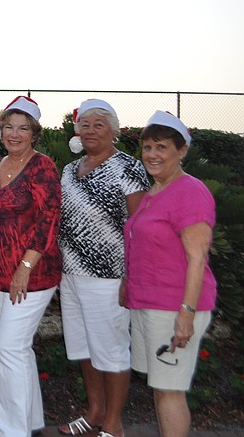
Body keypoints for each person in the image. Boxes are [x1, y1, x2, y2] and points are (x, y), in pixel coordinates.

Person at [57, 99, 149, 437]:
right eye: (85, 124)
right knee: (83, 346)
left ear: (113, 130)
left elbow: (140, 226)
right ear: (76, 130)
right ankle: (94, 412)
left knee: (110, 349)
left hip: (111, 276)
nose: (91, 130)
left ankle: (114, 422)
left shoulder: (128, 167)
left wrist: (131, 275)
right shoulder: (69, 169)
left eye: (99, 125)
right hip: (70, 273)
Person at [124, 111, 216, 437]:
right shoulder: (155, 191)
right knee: (161, 389)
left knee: (170, 391)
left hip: (174, 307)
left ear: (182, 151)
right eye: (147, 147)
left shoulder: (190, 192)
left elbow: (197, 258)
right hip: (151, 305)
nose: (152, 155)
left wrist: (186, 314)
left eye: (162, 147)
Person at [0, 96, 61, 437]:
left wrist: (25, 267)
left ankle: (13, 431)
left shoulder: (42, 167)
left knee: (10, 347)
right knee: (18, 347)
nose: (15, 134)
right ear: (0, 130)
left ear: (34, 133)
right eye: (9, 127)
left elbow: (49, 221)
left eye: (23, 128)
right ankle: (31, 422)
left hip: (33, 274)